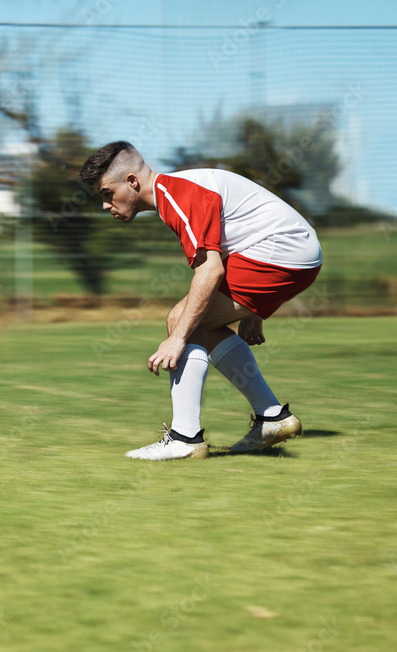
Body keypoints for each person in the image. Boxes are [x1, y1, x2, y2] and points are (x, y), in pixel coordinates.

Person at [79, 141, 322, 460]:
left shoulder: (179, 195)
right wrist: (254, 312)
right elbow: (238, 233)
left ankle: (186, 439)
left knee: (182, 321)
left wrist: (177, 339)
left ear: (132, 182)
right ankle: (271, 417)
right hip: (290, 251)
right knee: (195, 322)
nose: (105, 205)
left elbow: (211, 271)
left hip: (282, 253)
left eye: (107, 194)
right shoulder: (176, 191)